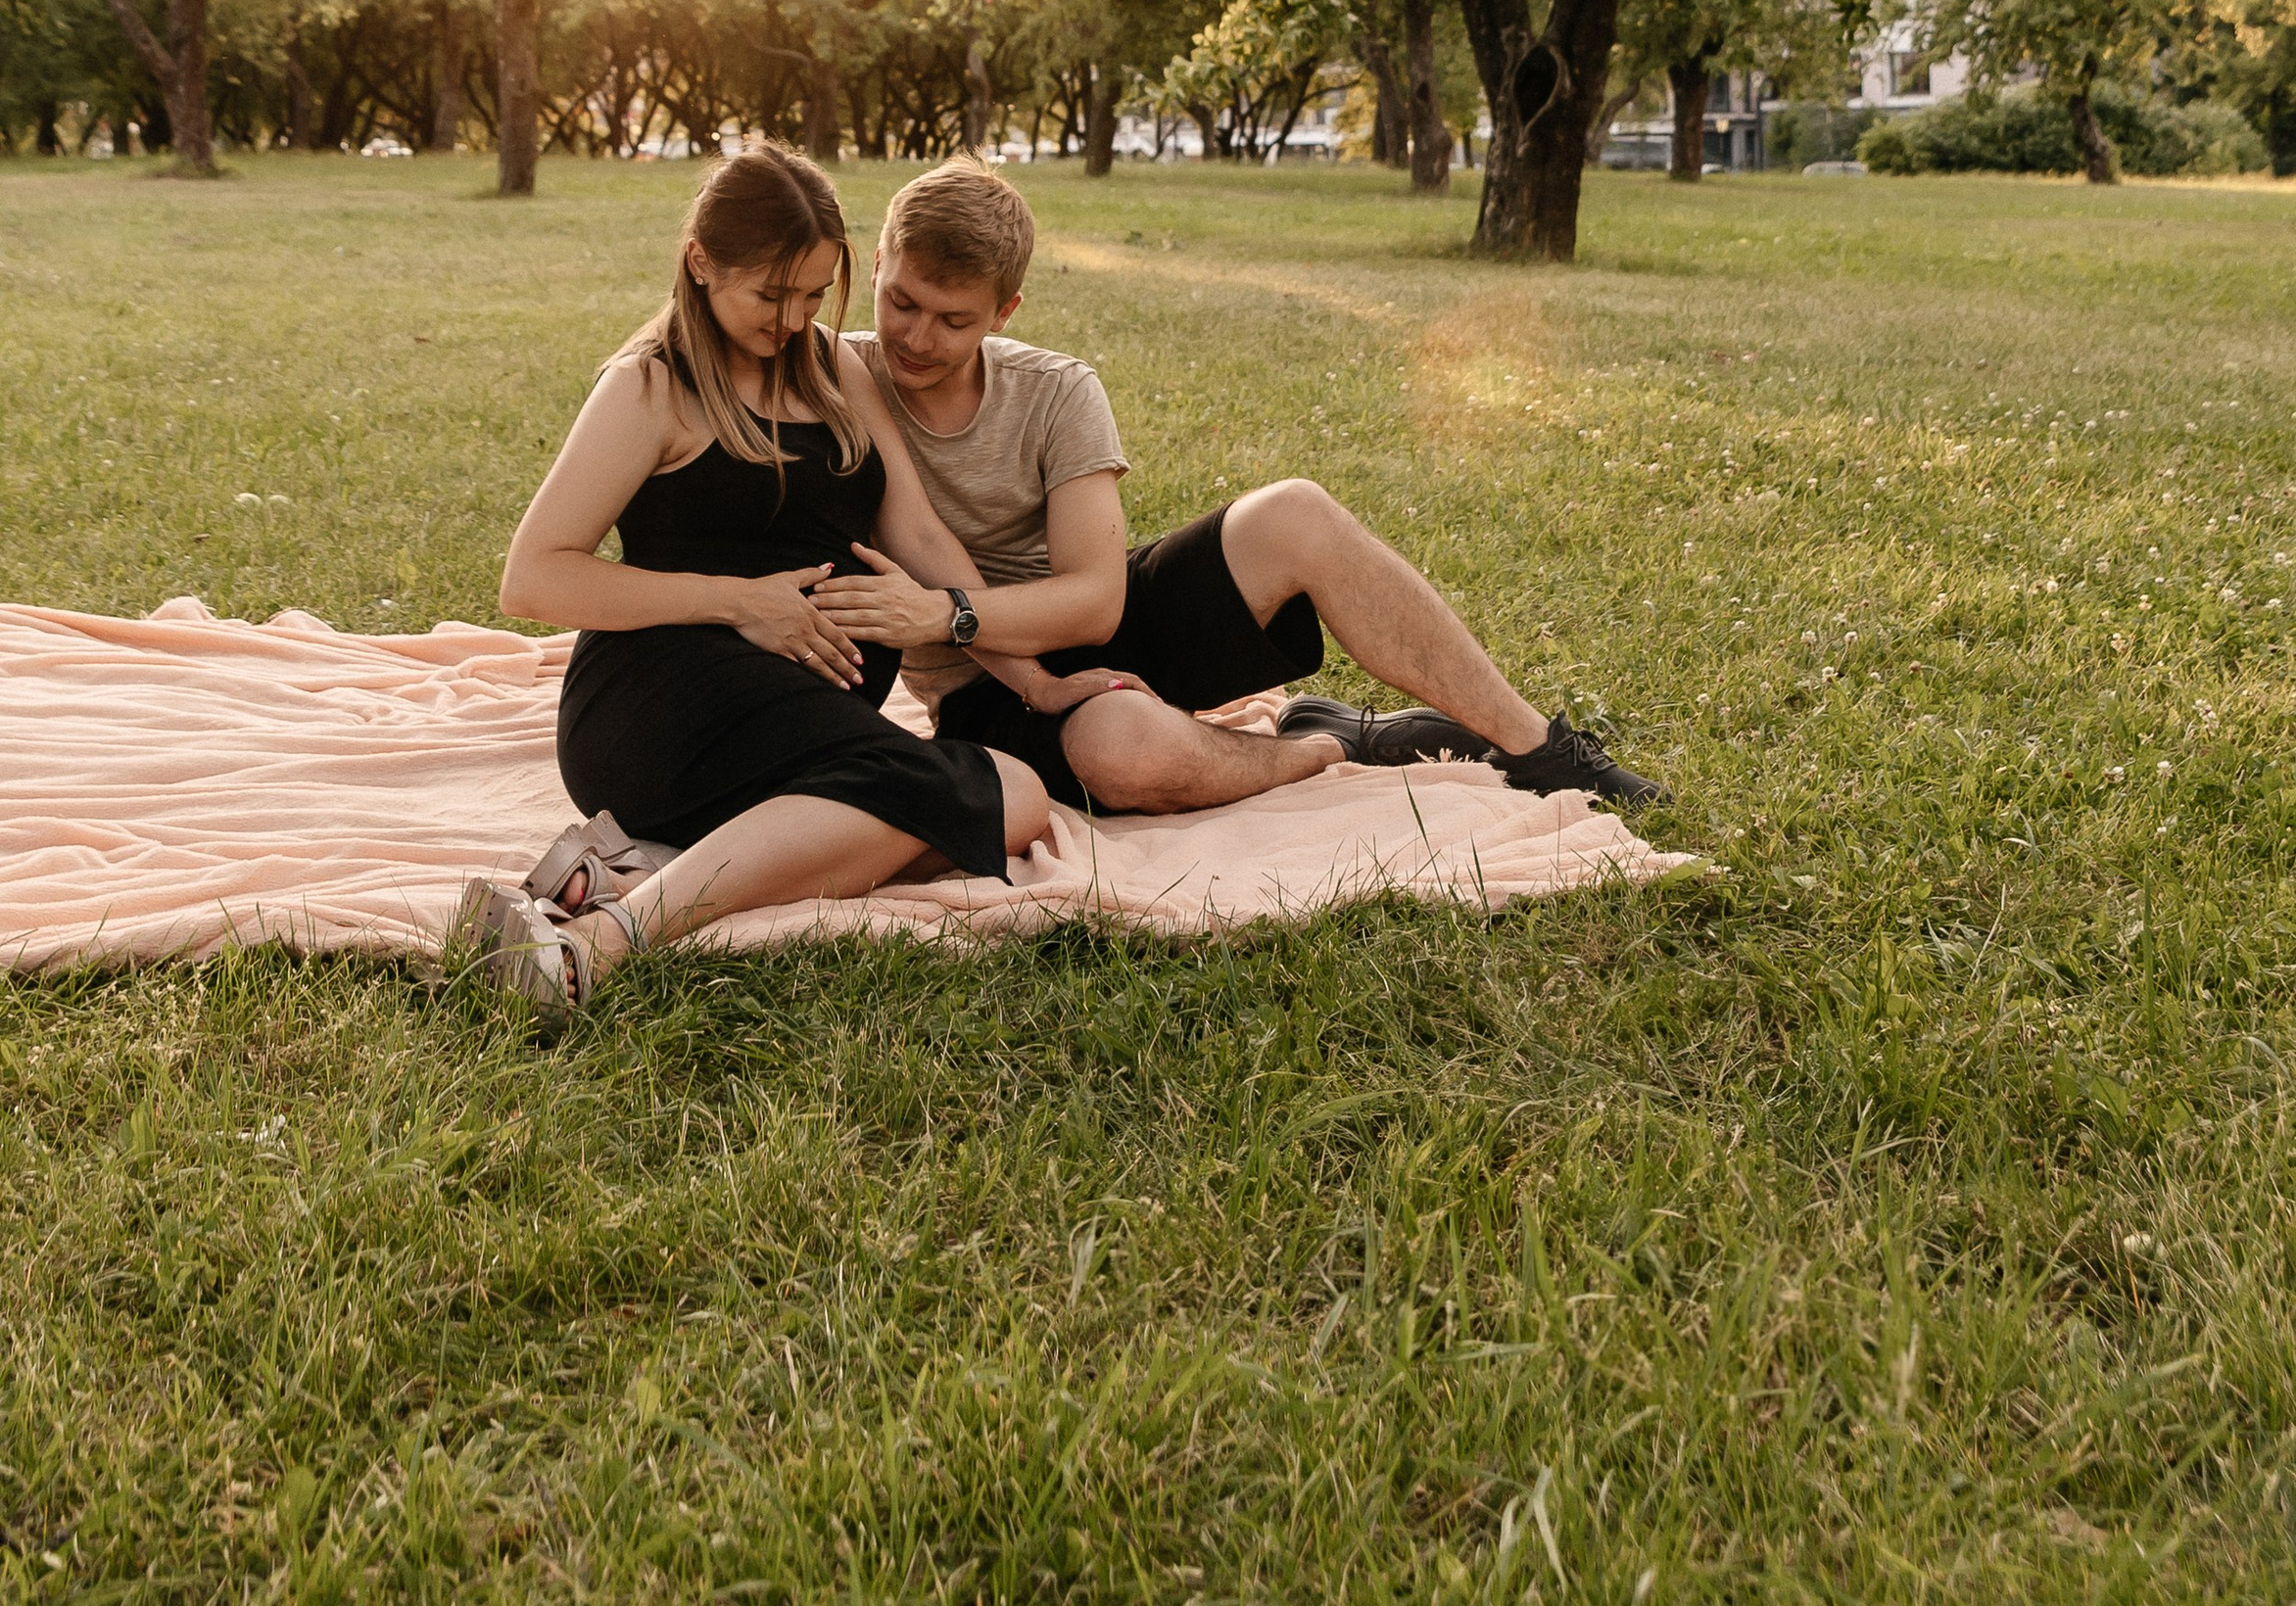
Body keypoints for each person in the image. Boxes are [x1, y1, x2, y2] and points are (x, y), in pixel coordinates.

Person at [458, 146, 1116, 1032]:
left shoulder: (830, 367)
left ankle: (627, 869)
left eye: (814, 294)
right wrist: (738, 601)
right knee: (990, 795)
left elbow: (917, 535)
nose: (794, 317)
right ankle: (604, 944)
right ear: (701, 261)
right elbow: (533, 576)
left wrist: (1030, 678)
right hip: (663, 702)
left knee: (1004, 787)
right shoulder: (649, 386)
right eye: (772, 296)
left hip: (797, 721)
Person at [813, 156, 1665, 822]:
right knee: (1124, 754)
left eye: (954, 320)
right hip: (982, 688)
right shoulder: (838, 372)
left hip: (1074, 625)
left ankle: (1539, 745)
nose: (917, 338)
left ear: (1006, 311)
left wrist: (947, 609)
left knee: (1295, 510)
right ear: (880, 261)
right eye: (901, 302)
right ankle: (1323, 747)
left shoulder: (1057, 391)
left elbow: (1097, 604)